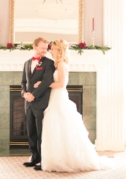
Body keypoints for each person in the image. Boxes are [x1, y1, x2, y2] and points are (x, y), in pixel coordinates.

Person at [34, 39, 113, 172]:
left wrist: (43, 84)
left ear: (59, 50)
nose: (50, 51)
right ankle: (54, 159)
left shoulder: (62, 65)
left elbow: (61, 84)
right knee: (54, 127)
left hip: (59, 98)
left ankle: (64, 159)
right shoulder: (57, 64)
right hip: (54, 97)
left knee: (59, 125)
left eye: (52, 49)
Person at [21, 37, 55, 170]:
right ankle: (34, 156)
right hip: (28, 103)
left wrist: (33, 95)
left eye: (46, 48)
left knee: (41, 132)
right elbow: (23, 82)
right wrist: (24, 94)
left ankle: (43, 159)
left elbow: (46, 82)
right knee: (31, 131)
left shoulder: (49, 63)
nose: (45, 51)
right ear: (35, 47)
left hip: (40, 102)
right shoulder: (27, 63)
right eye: (42, 48)